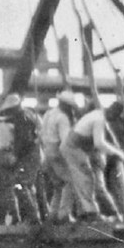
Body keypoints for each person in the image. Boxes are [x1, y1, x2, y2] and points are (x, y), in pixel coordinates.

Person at [62, 101, 124, 223]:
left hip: (75, 146)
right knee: (87, 179)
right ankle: (91, 213)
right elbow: (99, 143)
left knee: (84, 179)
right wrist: (117, 153)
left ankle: (85, 212)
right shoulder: (99, 119)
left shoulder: (97, 114)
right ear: (112, 112)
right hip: (73, 147)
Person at [0, 93, 44, 224]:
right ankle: (31, 216)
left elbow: (24, 141)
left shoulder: (22, 119)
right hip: (31, 153)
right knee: (26, 185)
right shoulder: (25, 117)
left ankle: (32, 217)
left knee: (21, 184)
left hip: (29, 154)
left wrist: (16, 155)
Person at [41, 89, 80, 223]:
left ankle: (52, 214)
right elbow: (65, 140)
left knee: (58, 185)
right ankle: (64, 214)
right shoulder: (63, 118)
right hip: (58, 151)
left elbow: (41, 133)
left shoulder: (48, 114)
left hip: (47, 151)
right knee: (70, 181)